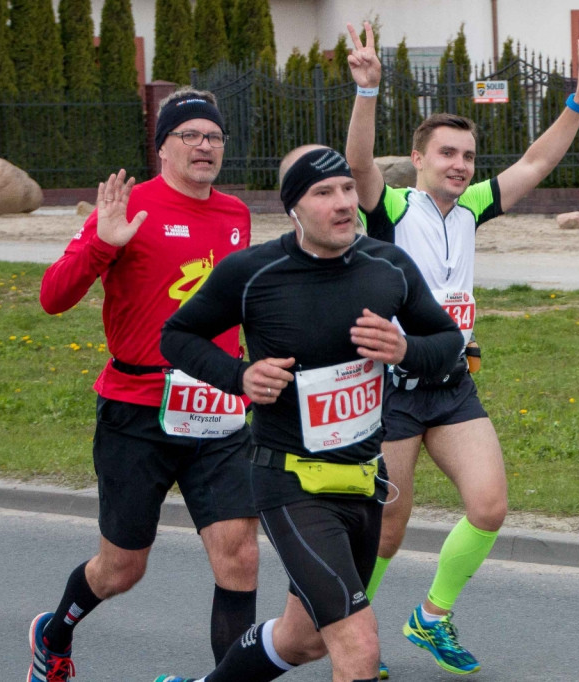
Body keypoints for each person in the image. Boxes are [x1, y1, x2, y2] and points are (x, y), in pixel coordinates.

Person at [344, 21, 579, 677]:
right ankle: (351, 639)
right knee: (386, 530)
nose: (460, 164)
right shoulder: (392, 209)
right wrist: (368, 91)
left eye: (467, 154)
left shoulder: (474, 207)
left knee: (489, 505)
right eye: (447, 153)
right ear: (421, 157)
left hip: (453, 381)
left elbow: (538, 162)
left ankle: (430, 619)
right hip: (393, 389)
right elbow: (355, 166)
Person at [153, 145, 464, 682]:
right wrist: (240, 377)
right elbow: (177, 335)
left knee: (303, 641)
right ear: (293, 208)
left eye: (347, 189)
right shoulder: (253, 273)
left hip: (364, 482)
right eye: (324, 193)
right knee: (358, 645)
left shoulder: (386, 267)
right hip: (290, 482)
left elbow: (447, 340)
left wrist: (404, 350)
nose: (344, 203)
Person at [30, 87, 260, 682]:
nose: (205, 146)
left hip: (218, 407)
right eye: (191, 135)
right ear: (163, 147)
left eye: (214, 136)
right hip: (136, 410)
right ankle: (53, 634)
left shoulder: (237, 215)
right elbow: (53, 296)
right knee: (121, 568)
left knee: (239, 558)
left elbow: (240, 307)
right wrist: (103, 243)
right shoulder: (128, 208)